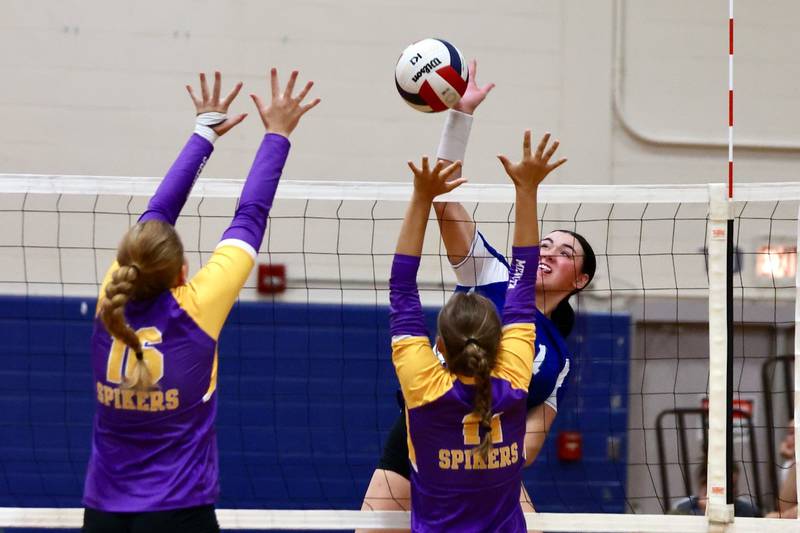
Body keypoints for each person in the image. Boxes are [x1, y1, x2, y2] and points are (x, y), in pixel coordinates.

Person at [81, 68, 319, 533]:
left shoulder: (111, 297)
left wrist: (202, 134)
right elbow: (250, 215)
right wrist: (277, 133)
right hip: (177, 512)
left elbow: (156, 213)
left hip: (104, 514)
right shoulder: (196, 310)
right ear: (183, 273)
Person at [360, 60, 593, 523]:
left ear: (580, 281)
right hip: (426, 429)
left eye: (565, 252)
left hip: (490, 459)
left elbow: (532, 440)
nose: (548, 252)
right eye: (545, 242)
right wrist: (459, 117)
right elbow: (444, 200)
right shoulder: (494, 274)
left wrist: (486, 451)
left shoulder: (558, 356)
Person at [387, 127, 564, 532]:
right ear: (498, 343)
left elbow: (402, 286)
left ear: (439, 348)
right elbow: (521, 286)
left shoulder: (423, 385)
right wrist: (527, 190)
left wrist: (420, 197)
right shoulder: (515, 379)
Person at [670, 462, 761, 517]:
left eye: (732, 485)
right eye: (727, 485)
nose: (733, 490)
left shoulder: (748, 510)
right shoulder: (681, 509)